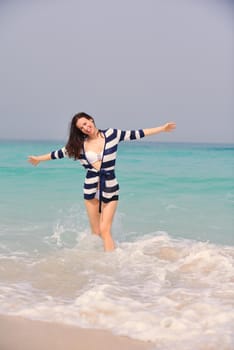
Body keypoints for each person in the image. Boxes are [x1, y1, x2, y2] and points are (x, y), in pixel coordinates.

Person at [28, 112, 176, 252]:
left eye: (86, 123)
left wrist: (162, 128)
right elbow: (57, 154)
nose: (86, 128)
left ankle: (112, 264)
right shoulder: (78, 145)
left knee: (105, 229)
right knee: (96, 232)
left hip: (110, 187)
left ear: (91, 119)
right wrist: (38, 159)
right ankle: (98, 266)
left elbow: (136, 134)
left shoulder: (112, 134)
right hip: (91, 189)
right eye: (81, 127)